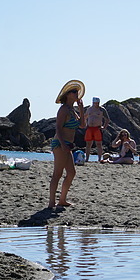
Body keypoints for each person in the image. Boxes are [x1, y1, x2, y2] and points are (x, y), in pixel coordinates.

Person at [49, 80, 86, 209]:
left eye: (77, 91)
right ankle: (51, 202)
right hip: (60, 144)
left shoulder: (72, 110)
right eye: (74, 92)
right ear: (68, 94)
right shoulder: (63, 109)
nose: (77, 94)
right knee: (57, 173)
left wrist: (81, 109)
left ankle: (62, 200)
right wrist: (63, 144)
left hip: (68, 144)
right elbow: (58, 128)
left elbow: (82, 125)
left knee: (71, 172)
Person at [84, 97, 110, 163]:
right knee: (88, 144)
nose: (96, 104)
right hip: (89, 128)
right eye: (95, 103)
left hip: (97, 128)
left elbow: (107, 119)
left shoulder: (101, 109)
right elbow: (85, 117)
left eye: (97, 103)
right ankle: (87, 158)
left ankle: (99, 158)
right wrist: (85, 124)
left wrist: (104, 127)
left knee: (99, 144)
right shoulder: (89, 109)